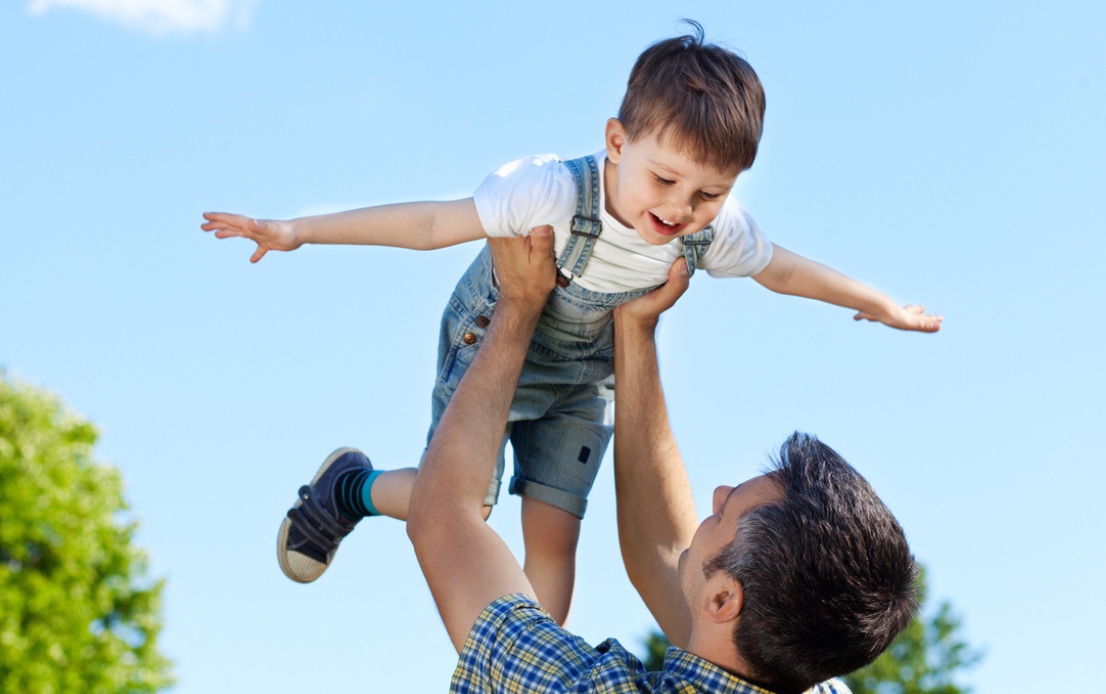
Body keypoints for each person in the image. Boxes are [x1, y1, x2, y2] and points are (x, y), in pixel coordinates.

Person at [202, 22, 940, 625]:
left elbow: (780, 268)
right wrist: (296, 230)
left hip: (588, 376)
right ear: (616, 142)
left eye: (709, 193)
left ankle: (531, 666)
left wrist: (876, 302)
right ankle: (350, 489)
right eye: (665, 180)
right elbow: (431, 223)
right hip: (497, 336)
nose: (681, 208)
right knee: (466, 501)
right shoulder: (549, 191)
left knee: (556, 530)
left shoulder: (712, 229)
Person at [401, 229, 916, 692]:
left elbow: (443, 515)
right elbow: (666, 552)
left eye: (724, 514)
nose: (715, 495)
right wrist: (635, 329)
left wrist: (518, 303)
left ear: (722, 601)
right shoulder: (809, 674)